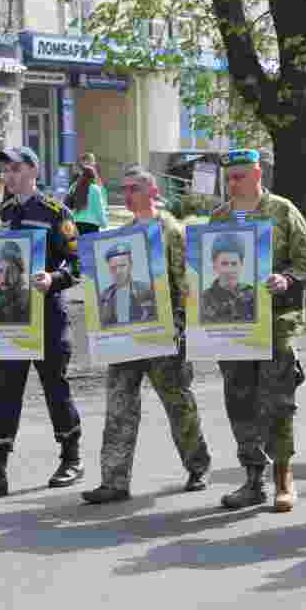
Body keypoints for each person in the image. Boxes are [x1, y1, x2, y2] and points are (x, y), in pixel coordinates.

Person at [82, 167, 213, 503]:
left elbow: (186, 282)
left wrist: (183, 328)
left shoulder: (171, 230)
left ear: (153, 191)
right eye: (124, 189)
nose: (128, 195)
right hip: (125, 336)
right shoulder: (120, 235)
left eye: (135, 188)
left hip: (165, 333)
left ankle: (198, 466)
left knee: (177, 402)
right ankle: (114, 480)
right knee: (119, 406)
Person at [0, 146, 84, 502]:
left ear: (34, 170)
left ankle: (71, 458)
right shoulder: (7, 210)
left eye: (16, 169)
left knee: (54, 387)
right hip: (10, 317)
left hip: (47, 316)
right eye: (6, 170)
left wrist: (53, 279)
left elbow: (76, 266)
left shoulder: (56, 212)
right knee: (5, 389)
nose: (10, 176)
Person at [212, 148, 306, 513]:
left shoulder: (282, 211)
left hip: (277, 319)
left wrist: (286, 278)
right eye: (228, 177)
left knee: (277, 402)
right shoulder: (220, 216)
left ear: (257, 175)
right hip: (233, 322)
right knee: (239, 399)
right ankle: (253, 478)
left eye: (239, 176)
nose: (232, 183)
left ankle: (283, 478)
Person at [200, 234, 256, 324]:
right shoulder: (202, 300)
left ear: (241, 265)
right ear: (214, 265)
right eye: (224, 263)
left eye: (234, 264)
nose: (229, 270)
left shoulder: (253, 295)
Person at [98, 241, 158, 326]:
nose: (118, 271)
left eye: (122, 266)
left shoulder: (147, 290)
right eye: (113, 267)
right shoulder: (104, 297)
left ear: (131, 265)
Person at [0, 241, 31, 324]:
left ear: (20, 273)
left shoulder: (30, 300)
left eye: (11, 271)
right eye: (0, 270)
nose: (4, 279)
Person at [67, 154, 109, 237]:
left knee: (77, 249)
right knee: (89, 249)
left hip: (75, 224)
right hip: (91, 226)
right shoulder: (95, 189)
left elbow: (67, 205)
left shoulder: (73, 187)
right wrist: (104, 223)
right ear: (93, 176)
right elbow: (99, 208)